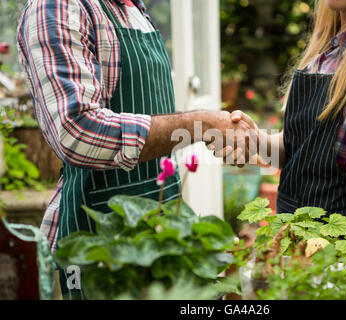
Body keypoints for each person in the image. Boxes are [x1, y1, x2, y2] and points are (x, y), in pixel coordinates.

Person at [17, 0, 252, 299]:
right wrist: (201, 125)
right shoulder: (59, 7)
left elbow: (151, 114)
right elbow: (76, 130)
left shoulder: (132, 9)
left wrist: (207, 129)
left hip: (161, 227)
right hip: (103, 237)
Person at [223, 0, 346, 227]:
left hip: (339, 249)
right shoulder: (326, 50)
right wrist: (253, 139)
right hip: (292, 241)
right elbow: (297, 149)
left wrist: (345, 263)